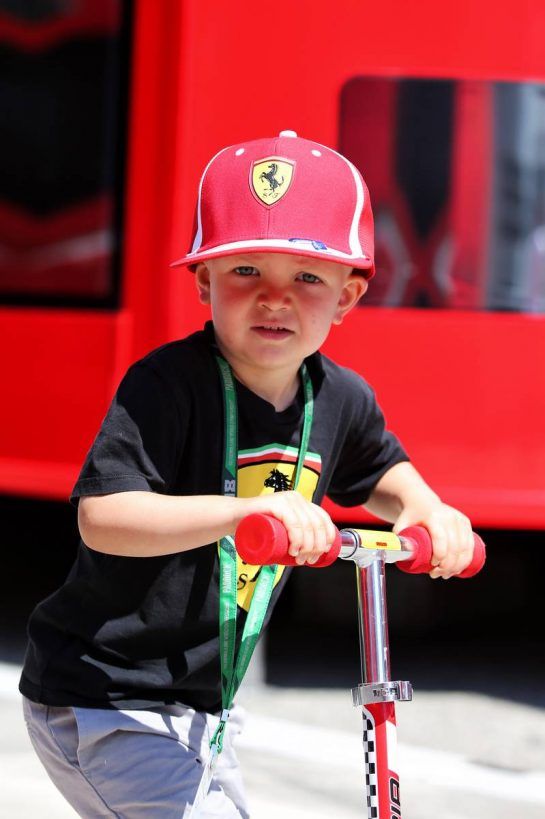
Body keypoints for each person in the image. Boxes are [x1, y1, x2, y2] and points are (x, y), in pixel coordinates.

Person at [20, 130, 475, 818]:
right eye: (244, 272)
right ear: (203, 282)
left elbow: (381, 469)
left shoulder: (339, 398)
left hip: (207, 705)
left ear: (347, 296)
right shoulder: (166, 386)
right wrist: (239, 515)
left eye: (307, 278)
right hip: (104, 695)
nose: (274, 298)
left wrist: (428, 510)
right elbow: (103, 518)